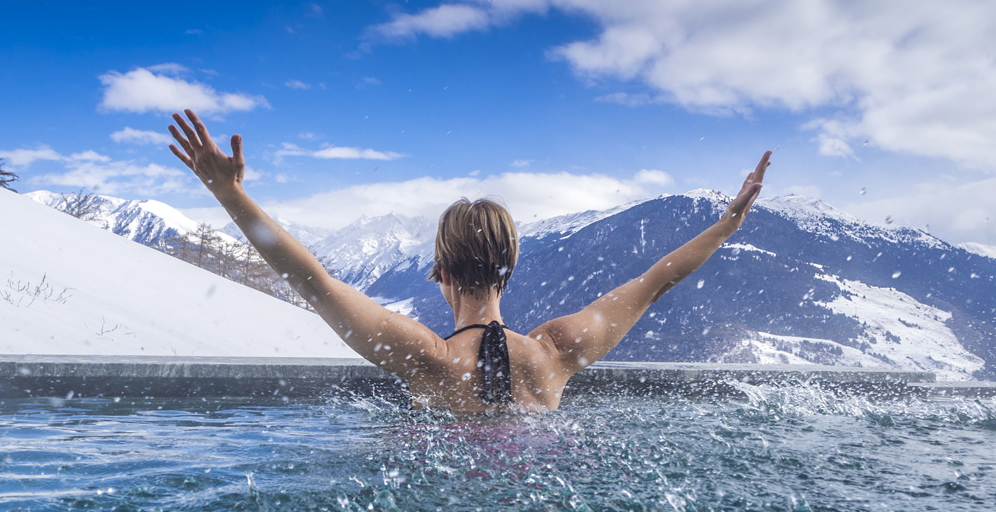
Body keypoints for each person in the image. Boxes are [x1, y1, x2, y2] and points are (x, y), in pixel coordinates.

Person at [169, 109, 771, 412]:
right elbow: (654, 281)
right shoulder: (557, 351)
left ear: (441, 274)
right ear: (509, 267)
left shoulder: (424, 357)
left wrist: (230, 193)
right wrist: (730, 221)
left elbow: (313, 280)